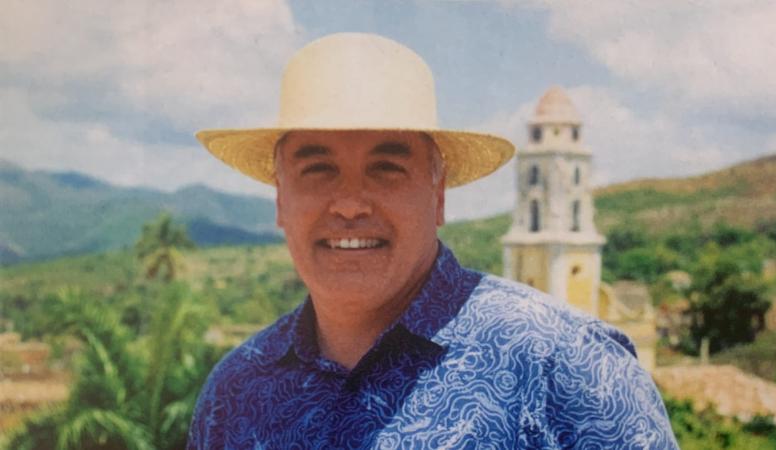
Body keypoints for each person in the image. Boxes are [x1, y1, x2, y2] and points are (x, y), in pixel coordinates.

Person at [188, 32, 678, 449]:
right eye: (318, 169)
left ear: (438, 192)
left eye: (386, 168)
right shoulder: (236, 392)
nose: (350, 203)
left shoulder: (567, 367)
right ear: (279, 200)